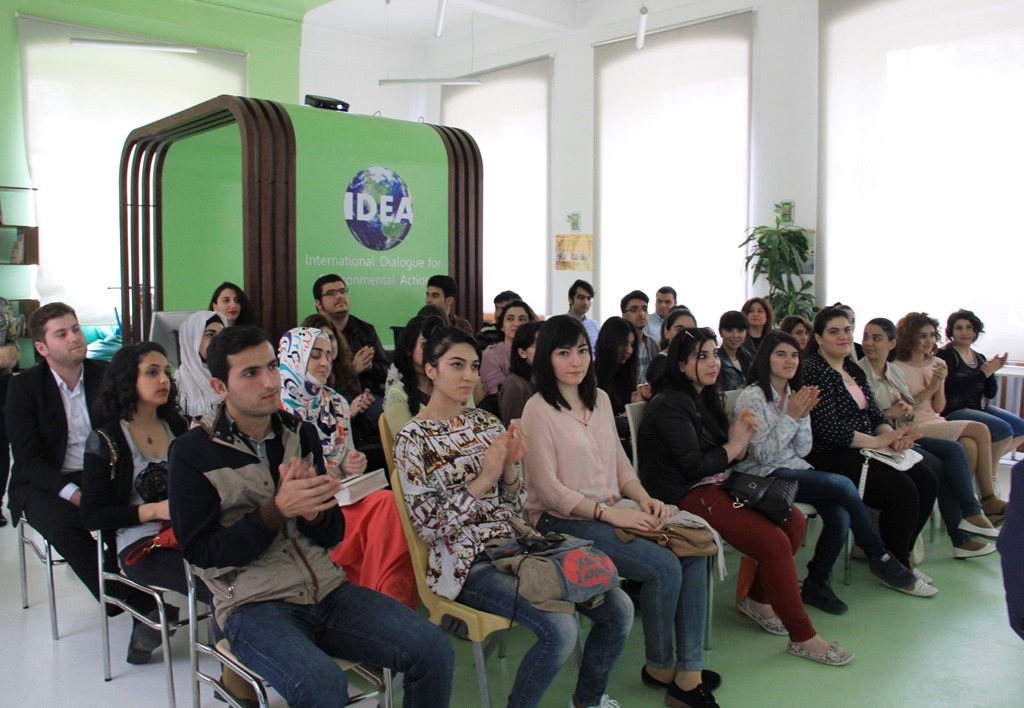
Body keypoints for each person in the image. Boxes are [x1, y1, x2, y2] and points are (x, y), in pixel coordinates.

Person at [168, 325, 453, 708]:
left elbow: (332, 534)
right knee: (324, 687)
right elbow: (201, 552)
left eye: (272, 366)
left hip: (327, 588)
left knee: (433, 648)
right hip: (254, 605)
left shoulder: (299, 433)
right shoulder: (192, 452)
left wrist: (316, 511)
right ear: (221, 387)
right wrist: (277, 510)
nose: (270, 381)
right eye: (251, 373)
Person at [393, 325, 632, 708]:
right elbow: (429, 524)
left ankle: (586, 701)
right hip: (467, 563)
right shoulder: (413, 438)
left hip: (522, 546)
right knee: (560, 628)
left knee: (619, 606)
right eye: (457, 365)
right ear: (431, 369)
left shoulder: (485, 424)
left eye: (473, 365)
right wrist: (484, 478)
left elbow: (515, 503)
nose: (469, 375)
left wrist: (507, 473)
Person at [522, 315, 721, 708]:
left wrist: (642, 496)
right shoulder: (537, 409)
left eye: (582, 351)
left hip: (612, 508)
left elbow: (619, 464)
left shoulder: (599, 400)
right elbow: (548, 489)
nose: (576, 361)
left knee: (694, 550)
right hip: (558, 520)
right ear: (547, 358)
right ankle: (662, 666)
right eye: (564, 353)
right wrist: (610, 514)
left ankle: (688, 670)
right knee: (663, 566)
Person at [637, 326, 853, 666]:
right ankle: (804, 636)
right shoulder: (670, 405)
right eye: (701, 356)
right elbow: (694, 466)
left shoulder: (703, 397)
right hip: (685, 494)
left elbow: (730, 454)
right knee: (774, 542)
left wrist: (740, 440)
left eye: (713, 354)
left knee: (793, 520)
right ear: (680, 364)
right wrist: (736, 443)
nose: (713, 363)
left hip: (720, 483)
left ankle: (757, 598)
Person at [735, 331, 917, 614]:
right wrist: (792, 417)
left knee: (840, 515)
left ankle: (816, 583)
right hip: (762, 474)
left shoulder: (797, 395)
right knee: (843, 485)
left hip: (795, 467)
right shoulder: (753, 396)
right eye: (781, 354)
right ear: (765, 359)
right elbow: (764, 454)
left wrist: (799, 414)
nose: (790, 361)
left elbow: (804, 448)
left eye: (794, 354)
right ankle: (878, 555)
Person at [801, 307, 938, 594]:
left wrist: (892, 437)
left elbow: (875, 416)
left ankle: (904, 558)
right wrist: (877, 442)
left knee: (926, 479)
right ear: (819, 337)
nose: (844, 336)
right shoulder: (813, 369)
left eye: (847, 330)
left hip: (864, 447)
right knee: (902, 490)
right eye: (834, 331)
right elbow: (827, 429)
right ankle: (895, 566)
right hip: (829, 453)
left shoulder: (852, 368)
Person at [277, 327, 416, 608]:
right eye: (314, 355)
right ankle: (381, 605)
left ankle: (388, 605)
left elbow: (347, 457)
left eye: (328, 354)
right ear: (293, 358)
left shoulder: (336, 402)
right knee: (382, 512)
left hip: (342, 497)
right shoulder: (273, 407)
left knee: (387, 504)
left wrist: (355, 463)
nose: (324, 363)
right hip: (301, 508)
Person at [80, 342, 191, 664]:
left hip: (185, 529)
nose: (164, 381)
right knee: (213, 583)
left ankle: (233, 657)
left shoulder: (177, 427)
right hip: (139, 544)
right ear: (128, 379)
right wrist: (154, 510)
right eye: (152, 372)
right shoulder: (106, 440)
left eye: (167, 373)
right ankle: (233, 673)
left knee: (232, 569)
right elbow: (91, 515)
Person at [5, 303, 118, 603]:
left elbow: (120, 437)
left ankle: (133, 588)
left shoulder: (105, 376)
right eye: (62, 334)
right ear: (42, 347)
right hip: (44, 481)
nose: (74, 338)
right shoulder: (23, 388)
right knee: (63, 525)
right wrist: (74, 494)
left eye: (76, 329)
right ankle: (127, 602)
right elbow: (29, 461)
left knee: (129, 513)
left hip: (98, 473)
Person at [860, 316, 999, 556]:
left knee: (967, 446)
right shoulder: (868, 371)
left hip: (918, 423)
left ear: (891, 343)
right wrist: (929, 389)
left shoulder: (896, 369)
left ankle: (965, 528)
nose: (928, 340)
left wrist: (938, 383)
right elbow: (881, 413)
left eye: (931, 335)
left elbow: (935, 408)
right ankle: (977, 508)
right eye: (867, 337)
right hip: (906, 429)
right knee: (969, 438)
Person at [938, 308, 1024, 506]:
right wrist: (982, 374)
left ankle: (985, 470)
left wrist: (992, 372)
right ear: (951, 331)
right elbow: (950, 388)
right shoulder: (946, 355)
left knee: (1020, 428)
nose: (965, 332)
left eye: (969, 328)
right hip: (953, 410)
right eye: (959, 328)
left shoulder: (979, 357)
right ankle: (989, 480)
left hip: (978, 407)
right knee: (1004, 430)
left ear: (976, 331)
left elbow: (990, 393)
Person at [312, 274, 390, 394]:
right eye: (331, 293)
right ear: (318, 304)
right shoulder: (311, 333)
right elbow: (313, 379)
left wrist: (368, 366)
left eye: (342, 291)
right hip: (330, 399)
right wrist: (353, 369)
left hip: (369, 396)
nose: (339, 296)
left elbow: (387, 371)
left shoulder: (365, 329)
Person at [383, 314, 448, 434]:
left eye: (438, 345)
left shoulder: (455, 384)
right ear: (409, 349)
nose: (433, 350)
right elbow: (407, 446)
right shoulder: (398, 394)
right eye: (425, 345)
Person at [175, 310, 227, 420]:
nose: (218, 341)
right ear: (193, 339)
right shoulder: (177, 386)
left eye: (222, 335)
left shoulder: (230, 378)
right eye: (210, 334)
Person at [480, 300, 538, 395]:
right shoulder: (491, 355)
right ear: (502, 326)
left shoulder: (537, 351)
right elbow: (499, 393)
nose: (516, 324)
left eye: (522, 319)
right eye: (510, 319)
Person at [594, 316, 643, 418]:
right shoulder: (592, 375)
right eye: (624, 343)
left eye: (632, 344)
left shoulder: (625, 373)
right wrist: (626, 415)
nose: (629, 350)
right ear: (610, 342)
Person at [498, 320, 543, 427]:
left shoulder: (553, 378)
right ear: (522, 353)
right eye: (538, 344)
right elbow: (514, 431)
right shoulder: (514, 385)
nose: (545, 349)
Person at [0, 296, 19, 527]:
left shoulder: (2, 304)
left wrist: (8, 351)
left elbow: (13, 346)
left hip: (1, 381)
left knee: (1, 442)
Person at [646, 307, 697, 386]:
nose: (685, 334)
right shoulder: (659, 363)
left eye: (690, 331)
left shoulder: (693, 360)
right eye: (679, 330)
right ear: (666, 332)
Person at [620, 290, 660, 385]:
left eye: (644, 309)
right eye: (634, 309)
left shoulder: (653, 344)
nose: (641, 313)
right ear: (624, 316)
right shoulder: (620, 345)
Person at [717, 310, 752, 392]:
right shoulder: (716, 358)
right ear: (720, 332)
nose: (735, 335)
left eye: (740, 331)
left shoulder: (747, 356)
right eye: (729, 330)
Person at [567, 279, 600, 351]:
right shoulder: (561, 323)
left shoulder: (594, 325)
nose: (585, 302)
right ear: (570, 299)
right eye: (581, 298)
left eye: (589, 298)